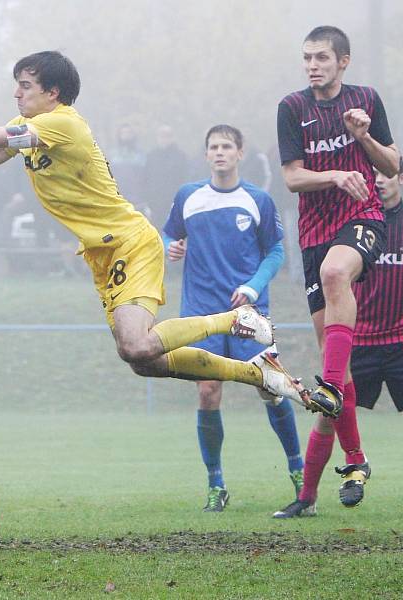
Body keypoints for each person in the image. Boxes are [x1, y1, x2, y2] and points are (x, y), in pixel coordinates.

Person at [0, 50, 318, 410]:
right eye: (16, 84)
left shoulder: (62, 122)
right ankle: (255, 372)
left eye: (26, 85)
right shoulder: (32, 134)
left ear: (52, 93)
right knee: (142, 361)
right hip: (103, 254)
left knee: (138, 345)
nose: (16, 92)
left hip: (130, 241)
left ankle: (237, 319)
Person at [272, 26, 400, 518]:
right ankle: (334, 475)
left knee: (334, 273)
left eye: (322, 57)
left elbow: (393, 163)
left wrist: (363, 135)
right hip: (314, 233)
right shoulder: (292, 108)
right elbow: (291, 176)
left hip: (363, 217)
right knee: (339, 377)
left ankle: (325, 387)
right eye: (306, 57)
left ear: (343, 61)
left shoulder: (366, 99)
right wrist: (332, 175)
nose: (312, 65)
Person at [163, 124, 303, 512]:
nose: (220, 152)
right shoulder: (188, 196)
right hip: (200, 312)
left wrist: (253, 287)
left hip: (248, 313)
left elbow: (276, 251)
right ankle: (216, 484)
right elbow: (166, 235)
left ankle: (298, 471)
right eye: (213, 147)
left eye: (227, 146)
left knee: (270, 388)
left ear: (240, 152)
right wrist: (170, 247)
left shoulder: (257, 200)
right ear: (206, 154)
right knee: (208, 391)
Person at [351, 162, 403, 412]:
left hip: (400, 340)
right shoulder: (357, 222)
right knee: (333, 411)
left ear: (401, 178)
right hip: (358, 339)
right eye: (374, 175)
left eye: (386, 174)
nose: (379, 180)